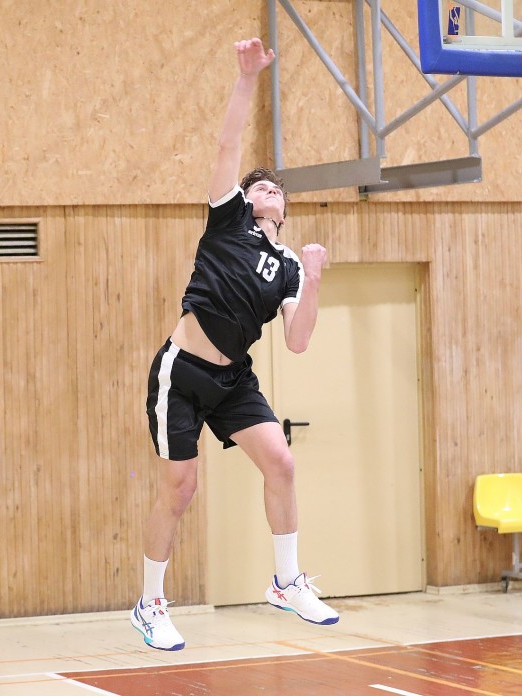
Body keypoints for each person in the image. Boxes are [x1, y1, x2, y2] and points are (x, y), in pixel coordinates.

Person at [130, 37, 338, 652]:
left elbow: (297, 341)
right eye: (260, 186)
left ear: (285, 209)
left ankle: (287, 582)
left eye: (277, 189)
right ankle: (149, 603)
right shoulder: (227, 221)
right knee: (180, 490)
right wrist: (247, 78)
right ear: (246, 201)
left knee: (282, 464)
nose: (269, 190)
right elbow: (227, 146)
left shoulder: (291, 266)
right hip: (182, 371)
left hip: (233, 380)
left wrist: (315, 279)